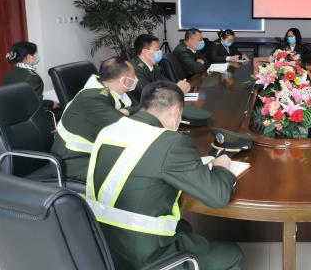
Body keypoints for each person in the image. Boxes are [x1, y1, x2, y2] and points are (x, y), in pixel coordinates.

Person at [86, 81, 244, 270]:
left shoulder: (108, 131)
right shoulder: (171, 142)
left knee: (184, 227)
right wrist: (221, 168)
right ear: (176, 111)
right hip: (146, 257)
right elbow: (217, 197)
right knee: (232, 254)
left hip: (101, 246)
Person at [51, 57, 137, 181]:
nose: (135, 79)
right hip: (73, 162)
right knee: (133, 174)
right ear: (124, 80)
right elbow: (126, 126)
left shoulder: (108, 89)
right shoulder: (92, 98)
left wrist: (128, 111)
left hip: (96, 152)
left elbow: (137, 107)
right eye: (133, 76)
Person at [129, 34, 191, 104]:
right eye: (157, 49)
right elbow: (150, 95)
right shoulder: (134, 70)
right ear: (145, 52)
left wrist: (178, 86)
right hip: (145, 106)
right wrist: (177, 90)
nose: (160, 52)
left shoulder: (153, 65)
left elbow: (166, 83)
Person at [3, 41, 60, 113]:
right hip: (29, 115)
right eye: (35, 54)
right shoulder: (32, 77)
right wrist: (51, 103)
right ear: (28, 57)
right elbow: (36, 103)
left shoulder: (10, 73)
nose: (37, 56)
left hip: (12, 112)